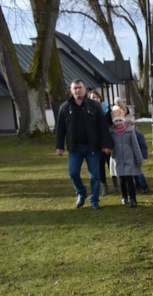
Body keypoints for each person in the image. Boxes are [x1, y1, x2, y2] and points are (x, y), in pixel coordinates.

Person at [55, 79, 112, 210]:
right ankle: (81, 193)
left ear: (84, 89)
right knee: (73, 172)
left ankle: (94, 201)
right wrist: (59, 146)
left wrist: (106, 145)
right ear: (71, 90)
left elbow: (103, 127)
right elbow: (60, 128)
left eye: (80, 87)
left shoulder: (94, 106)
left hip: (92, 147)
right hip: (75, 147)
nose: (77, 90)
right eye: (75, 88)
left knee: (95, 175)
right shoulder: (65, 107)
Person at [108, 106, 145, 207]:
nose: (119, 123)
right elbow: (109, 145)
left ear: (124, 121)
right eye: (116, 121)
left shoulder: (129, 131)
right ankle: (124, 196)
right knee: (122, 180)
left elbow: (135, 145)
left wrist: (139, 158)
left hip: (129, 158)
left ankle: (133, 198)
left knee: (129, 179)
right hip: (117, 159)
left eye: (120, 120)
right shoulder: (111, 133)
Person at [88, 89, 111, 196]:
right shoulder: (87, 111)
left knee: (111, 162)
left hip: (107, 139)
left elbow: (111, 123)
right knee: (100, 165)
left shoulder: (107, 110)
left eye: (96, 97)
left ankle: (115, 181)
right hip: (95, 142)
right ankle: (104, 185)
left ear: (100, 98)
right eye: (92, 98)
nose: (95, 99)